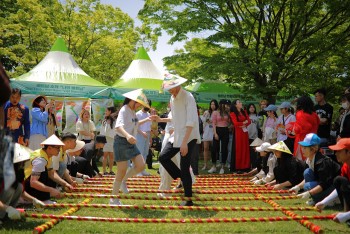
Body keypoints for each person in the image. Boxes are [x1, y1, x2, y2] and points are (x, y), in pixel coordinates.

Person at [152, 74, 200, 206]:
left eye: (171, 88)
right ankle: (183, 178)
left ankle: (188, 200)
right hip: (177, 135)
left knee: (184, 166)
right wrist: (160, 119)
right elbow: (174, 117)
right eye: (168, 89)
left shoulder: (188, 97)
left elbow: (191, 121)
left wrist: (184, 143)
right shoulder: (172, 99)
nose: (170, 91)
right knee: (163, 157)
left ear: (178, 85)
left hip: (189, 136)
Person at [110, 89, 151, 206]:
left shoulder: (133, 112)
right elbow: (118, 126)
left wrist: (147, 119)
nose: (139, 106)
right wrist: (127, 135)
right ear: (132, 100)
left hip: (130, 142)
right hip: (122, 142)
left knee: (141, 165)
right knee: (121, 171)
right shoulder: (124, 110)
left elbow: (135, 124)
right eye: (138, 103)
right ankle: (113, 199)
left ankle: (124, 180)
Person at [289, 133, 341, 205]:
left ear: (313, 149)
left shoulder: (322, 162)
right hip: (325, 185)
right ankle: (317, 198)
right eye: (302, 147)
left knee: (307, 186)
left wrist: (309, 193)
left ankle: (329, 200)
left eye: (305, 148)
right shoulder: (309, 160)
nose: (302, 150)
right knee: (307, 172)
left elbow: (324, 184)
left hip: (334, 187)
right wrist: (297, 187)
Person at [24, 135, 74, 204]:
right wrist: (51, 190)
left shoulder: (47, 156)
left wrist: (65, 183)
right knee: (44, 173)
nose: (59, 150)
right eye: (57, 148)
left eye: (60, 148)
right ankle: (37, 199)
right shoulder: (41, 160)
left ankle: (42, 197)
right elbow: (33, 182)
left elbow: (52, 173)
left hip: (26, 182)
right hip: (25, 184)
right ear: (49, 148)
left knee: (48, 174)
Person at [315, 138, 350, 224]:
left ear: (349, 152)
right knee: (339, 180)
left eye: (339, 151)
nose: (336, 154)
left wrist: (346, 216)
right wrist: (324, 202)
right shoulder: (345, 166)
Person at [290, 96, 320, 160]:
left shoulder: (300, 113)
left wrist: (292, 128)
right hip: (313, 141)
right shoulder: (314, 114)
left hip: (302, 141)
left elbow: (298, 129)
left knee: (301, 163)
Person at [209, 99, 231, 174]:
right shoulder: (215, 112)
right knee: (214, 149)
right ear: (222, 105)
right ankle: (214, 166)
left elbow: (229, 122)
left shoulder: (227, 113)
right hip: (217, 130)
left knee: (224, 149)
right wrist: (215, 133)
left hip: (225, 130)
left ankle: (222, 166)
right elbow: (213, 123)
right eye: (225, 104)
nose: (227, 106)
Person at [230, 99, 251, 173]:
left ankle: (245, 167)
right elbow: (235, 123)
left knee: (245, 149)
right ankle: (237, 167)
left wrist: (243, 124)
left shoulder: (244, 111)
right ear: (235, 105)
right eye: (239, 102)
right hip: (238, 133)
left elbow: (249, 121)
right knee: (238, 149)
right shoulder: (233, 113)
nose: (241, 103)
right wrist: (242, 123)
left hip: (244, 132)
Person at [136, 100, 152, 176]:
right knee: (140, 153)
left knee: (145, 153)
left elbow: (150, 127)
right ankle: (137, 170)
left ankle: (142, 169)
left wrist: (150, 137)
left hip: (147, 135)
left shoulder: (149, 114)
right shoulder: (138, 114)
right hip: (140, 134)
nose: (147, 107)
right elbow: (135, 126)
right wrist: (142, 133)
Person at [201, 99, 218, 170]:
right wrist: (205, 117)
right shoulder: (206, 112)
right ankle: (205, 164)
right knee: (205, 148)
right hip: (207, 131)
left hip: (214, 131)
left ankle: (214, 165)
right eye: (211, 104)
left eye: (214, 104)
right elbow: (203, 120)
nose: (212, 106)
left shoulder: (218, 112)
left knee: (213, 149)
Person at [100, 106, 117, 175]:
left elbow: (115, 130)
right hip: (106, 139)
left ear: (110, 111)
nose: (105, 112)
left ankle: (110, 170)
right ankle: (104, 171)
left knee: (111, 156)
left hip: (112, 139)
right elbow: (103, 131)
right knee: (105, 155)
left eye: (106, 111)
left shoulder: (114, 120)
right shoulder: (105, 120)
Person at [247, 103, 258, 169]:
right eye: (250, 107)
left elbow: (259, 127)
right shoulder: (246, 116)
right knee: (247, 153)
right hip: (247, 137)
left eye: (253, 107)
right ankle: (247, 166)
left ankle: (254, 167)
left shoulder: (257, 117)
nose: (252, 108)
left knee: (254, 153)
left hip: (254, 137)